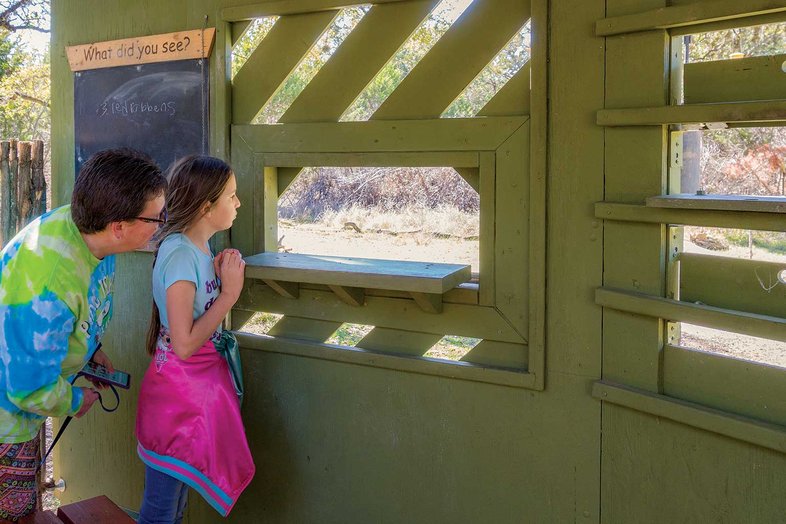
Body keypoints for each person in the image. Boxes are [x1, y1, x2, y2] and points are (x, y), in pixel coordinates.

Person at [0, 149, 166, 522]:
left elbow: (79, 315)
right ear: (118, 226)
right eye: (156, 217)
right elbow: (27, 389)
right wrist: (77, 400)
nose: (161, 224)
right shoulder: (49, 287)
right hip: (7, 424)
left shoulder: (89, 233)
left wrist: (91, 350)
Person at [136, 155, 254, 523]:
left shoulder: (200, 251)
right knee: (162, 508)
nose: (238, 203)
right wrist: (229, 296)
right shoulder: (180, 254)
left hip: (190, 400)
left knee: (176, 503)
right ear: (206, 207)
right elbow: (185, 344)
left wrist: (219, 273)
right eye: (231, 196)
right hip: (176, 404)